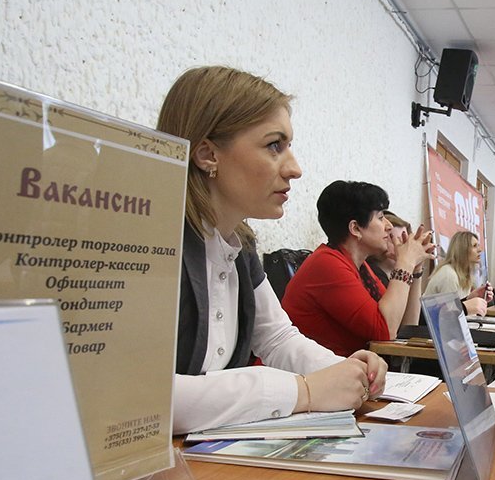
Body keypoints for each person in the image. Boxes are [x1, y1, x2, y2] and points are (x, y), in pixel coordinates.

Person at [156, 66, 386, 435]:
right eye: (274, 146)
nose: (294, 168)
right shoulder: (150, 245)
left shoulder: (239, 244)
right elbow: (144, 396)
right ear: (206, 154)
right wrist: (305, 391)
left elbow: (277, 337)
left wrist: (343, 370)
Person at [282, 180, 435, 357]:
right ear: (355, 228)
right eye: (380, 217)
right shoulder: (327, 264)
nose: (389, 225)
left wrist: (415, 270)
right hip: (305, 376)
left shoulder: (361, 267)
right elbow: (386, 331)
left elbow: (404, 327)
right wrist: (405, 263)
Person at [422, 230, 492, 316]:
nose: (480, 250)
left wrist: (471, 298)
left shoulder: (464, 273)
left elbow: (456, 308)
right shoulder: (448, 274)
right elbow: (449, 316)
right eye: (474, 246)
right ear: (462, 250)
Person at [366, 210, 411, 288]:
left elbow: (415, 300)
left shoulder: (395, 272)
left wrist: (417, 270)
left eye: (406, 241)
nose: (406, 247)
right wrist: (405, 263)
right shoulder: (373, 275)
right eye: (397, 241)